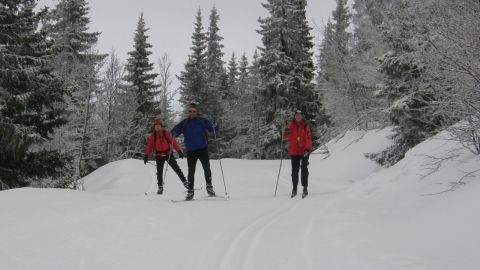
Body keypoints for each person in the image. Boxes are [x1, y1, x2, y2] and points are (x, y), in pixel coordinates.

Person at [171, 103, 218, 200]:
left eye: (194, 111)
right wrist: (173, 132)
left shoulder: (202, 121)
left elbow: (212, 129)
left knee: (207, 169)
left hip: (202, 149)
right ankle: (190, 191)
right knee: (191, 171)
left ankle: (209, 187)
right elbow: (175, 131)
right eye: (190, 111)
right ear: (188, 112)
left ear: (197, 112)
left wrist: (215, 126)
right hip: (191, 151)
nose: (192, 113)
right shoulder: (184, 123)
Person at [144, 119, 188, 195]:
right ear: (154, 127)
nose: (157, 127)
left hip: (168, 154)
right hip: (159, 155)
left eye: (159, 126)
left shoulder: (165, 133)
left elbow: (172, 142)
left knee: (177, 169)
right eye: (156, 126)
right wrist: (146, 155)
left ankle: (185, 182)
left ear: (161, 126)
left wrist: (179, 151)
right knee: (159, 172)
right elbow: (149, 146)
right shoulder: (153, 135)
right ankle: (160, 187)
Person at [282, 110, 312, 198]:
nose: (298, 117)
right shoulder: (290, 125)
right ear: (295, 116)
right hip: (294, 151)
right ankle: (294, 188)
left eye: (300, 115)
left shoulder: (305, 126)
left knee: (304, 169)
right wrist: (285, 132)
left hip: (304, 151)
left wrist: (307, 149)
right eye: (297, 115)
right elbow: (284, 137)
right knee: (294, 171)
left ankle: (305, 188)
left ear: (302, 117)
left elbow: (308, 138)